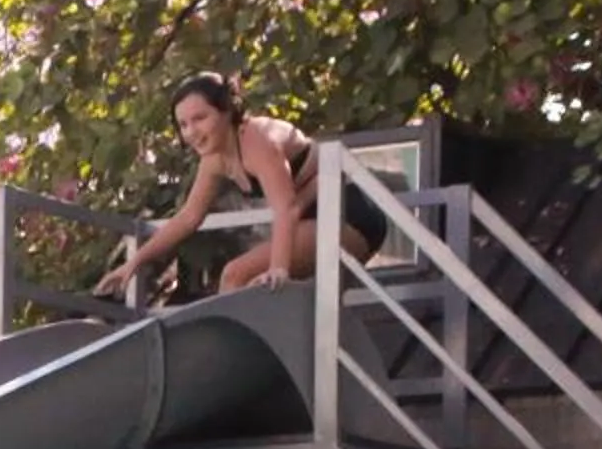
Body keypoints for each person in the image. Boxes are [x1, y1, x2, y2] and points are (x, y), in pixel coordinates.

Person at [93, 72, 390, 299]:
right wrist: (133, 263)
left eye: (200, 118)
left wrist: (278, 269)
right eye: (183, 125)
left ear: (226, 111)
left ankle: (241, 364)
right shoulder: (214, 160)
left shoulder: (257, 140)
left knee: (237, 275)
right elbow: (188, 218)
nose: (192, 132)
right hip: (308, 217)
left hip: (348, 214)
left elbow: (285, 208)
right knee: (251, 285)